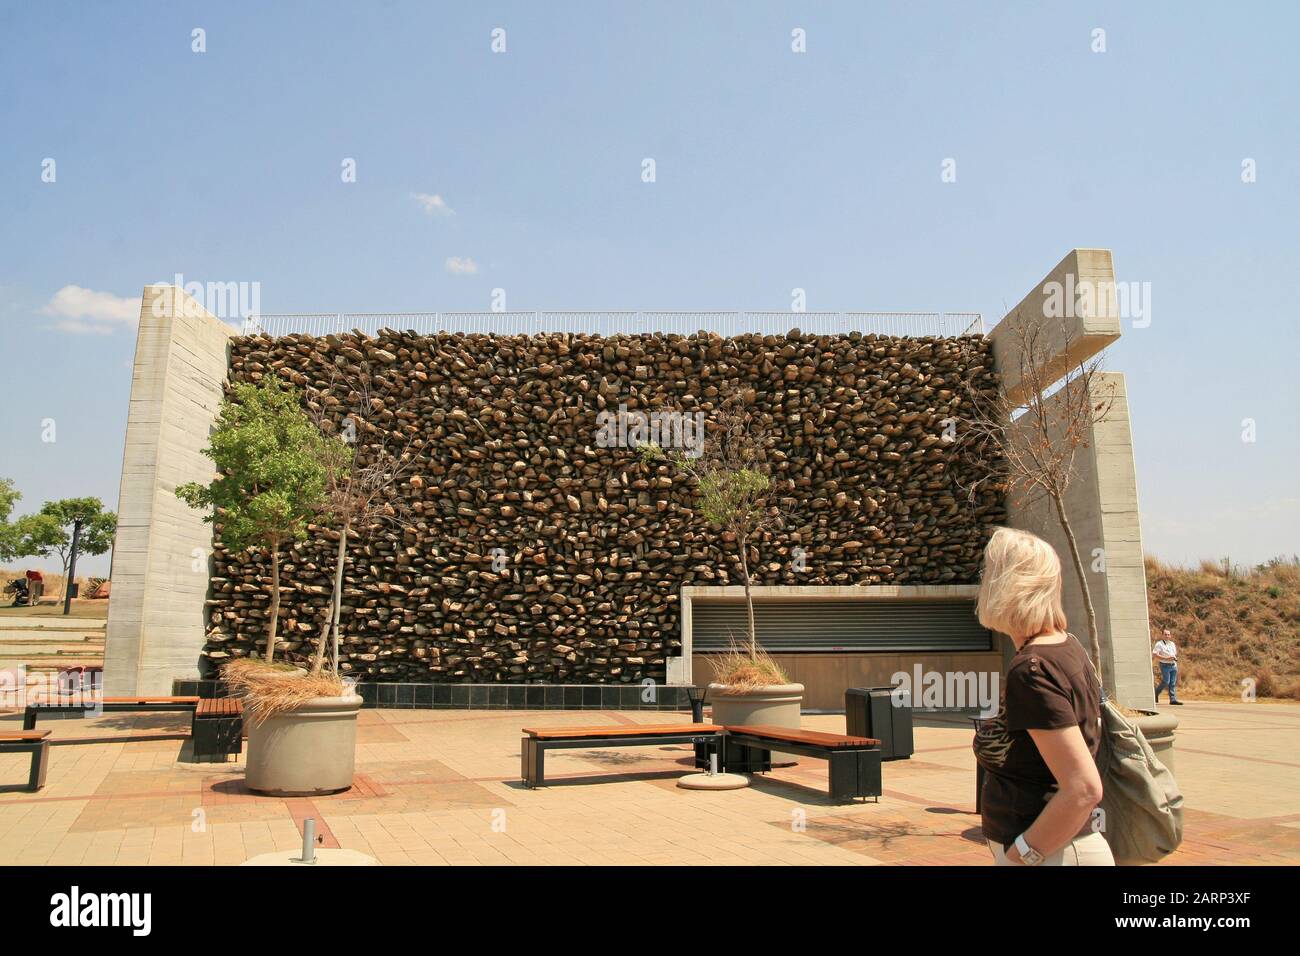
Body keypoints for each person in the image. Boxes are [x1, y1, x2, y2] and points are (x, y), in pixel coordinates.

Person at [972, 527, 1113, 866]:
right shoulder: (1067, 648)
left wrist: (1023, 854)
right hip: (1061, 848)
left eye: (989, 573)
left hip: (1053, 853)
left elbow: (1083, 788)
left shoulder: (1032, 670)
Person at [1152, 629, 1182, 705]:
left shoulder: (1172, 644)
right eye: (1165, 634)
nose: (1167, 636)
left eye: (1168, 634)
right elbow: (1155, 654)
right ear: (1162, 635)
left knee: (1172, 682)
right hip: (1164, 665)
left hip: (1173, 665)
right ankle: (1156, 693)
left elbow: (1174, 653)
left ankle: (1173, 699)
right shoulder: (1159, 644)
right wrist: (1166, 658)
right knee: (1166, 681)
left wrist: (1174, 658)